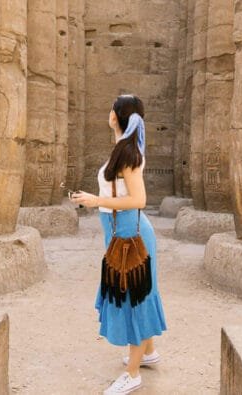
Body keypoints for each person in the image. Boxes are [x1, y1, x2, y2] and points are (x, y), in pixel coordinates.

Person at [71, 94, 167, 394]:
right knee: (139, 293)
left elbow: (139, 200)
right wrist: (93, 199)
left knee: (135, 298)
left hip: (130, 235)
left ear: (116, 116)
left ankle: (133, 374)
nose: (108, 111)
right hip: (120, 233)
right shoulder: (124, 148)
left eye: (111, 107)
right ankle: (148, 352)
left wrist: (95, 200)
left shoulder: (128, 153)